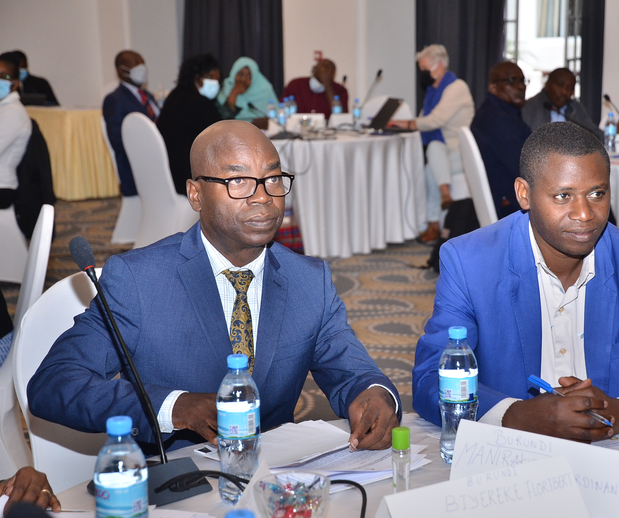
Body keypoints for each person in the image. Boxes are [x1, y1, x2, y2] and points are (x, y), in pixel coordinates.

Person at [28, 119, 401, 453]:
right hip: (178, 483)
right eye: (237, 180)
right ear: (195, 194)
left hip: (275, 479)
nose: (263, 196)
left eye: (273, 178)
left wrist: (376, 395)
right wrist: (175, 406)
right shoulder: (138, 280)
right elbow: (54, 384)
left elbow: (354, 373)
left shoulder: (309, 280)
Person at [412, 122, 619, 442]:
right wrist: (516, 414)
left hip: (613, 458)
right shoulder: (469, 262)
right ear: (524, 194)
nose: (584, 213)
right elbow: (432, 378)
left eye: (597, 193)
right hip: (506, 456)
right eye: (563, 195)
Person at [389, 44, 475, 244]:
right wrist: (409, 123)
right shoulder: (432, 91)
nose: (422, 73)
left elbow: (435, 121)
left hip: (459, 149)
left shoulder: (457, 88)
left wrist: (406, 123)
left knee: (432, 161)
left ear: (439, 66)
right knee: (433, 160)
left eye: (424, 68)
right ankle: (441, 203)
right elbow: (424, 120)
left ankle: (434, 223)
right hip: (442, 151)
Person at [470, 61, 532, 219]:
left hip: (512, 196)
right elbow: (525, 166)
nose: (521, 87)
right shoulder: (496, 120)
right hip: (512, 204)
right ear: (493, 88)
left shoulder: (500, 113)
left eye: (522, 81)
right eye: (512, 81)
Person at [157, 53, 223, 195]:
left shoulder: (175, 96)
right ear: (197, 78)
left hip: (166, 175)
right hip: (187, 179)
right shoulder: (199, 103)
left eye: (218, 80)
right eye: (211, 78)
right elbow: (221, 135)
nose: (216, 84)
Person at [102, 50, 161, 197]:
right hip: (139, 168)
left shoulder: (148, 96)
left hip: (159, 159)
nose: (142, 67)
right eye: (136, 64)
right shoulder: (114, 99)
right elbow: (118, 141)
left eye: (142, 62)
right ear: (122, 71)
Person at [522, 68, 602, 141]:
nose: (564, 92)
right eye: (560, 85)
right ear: (547, 84)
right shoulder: (529, 107)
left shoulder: (576, 107)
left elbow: (595, 134)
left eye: (570, 88)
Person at [0, 53, 32, 213]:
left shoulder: (13, 112)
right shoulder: (3, 107)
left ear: (15, 83)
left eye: (3, 76)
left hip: (3, 186)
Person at [216, 57, 278, 122]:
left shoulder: (264, 90)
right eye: (240, 74)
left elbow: (275, 119)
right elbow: (223, 120)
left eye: (249, 77)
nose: (243, 80)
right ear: (234, 73)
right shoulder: (224, 88)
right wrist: (234, 92)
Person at [282, 59, 347, 119]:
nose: (324, 71)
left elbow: (342, 119)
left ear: (333, 74)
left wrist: (328, 86)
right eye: (322, 68)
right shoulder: (295, 85)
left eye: (328, 69)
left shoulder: (340, 90)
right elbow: (281, 110)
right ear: (313, 70)